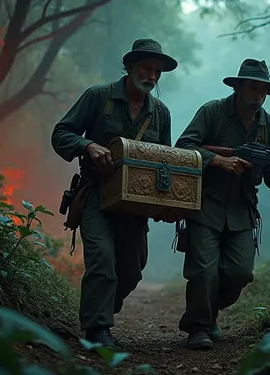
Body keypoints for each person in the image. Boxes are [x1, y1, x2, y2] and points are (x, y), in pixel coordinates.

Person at [174, 58, 270, 350]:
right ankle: (197, 327)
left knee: (239, 273)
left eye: (263, 91)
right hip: (205, 204)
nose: (258, 96)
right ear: (238, 87)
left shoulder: (268, 126)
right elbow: (184, 147)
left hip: (242, 210)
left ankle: (210, 314)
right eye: (253, 88)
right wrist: (219, 161)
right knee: (204, 270)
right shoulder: (213, 111)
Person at [51, 38, 178, 347]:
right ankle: (97, 329)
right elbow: (61, 134)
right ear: (130, 67)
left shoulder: (160, 113)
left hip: (137, 203)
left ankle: (103, 306)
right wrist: (88, 144)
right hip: (96, 194)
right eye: (147, 68)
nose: (152, 76)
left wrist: (168, 203)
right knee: (102, 260)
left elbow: (165, 162)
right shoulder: (98, 96)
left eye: (157, 72)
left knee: (132, 269)